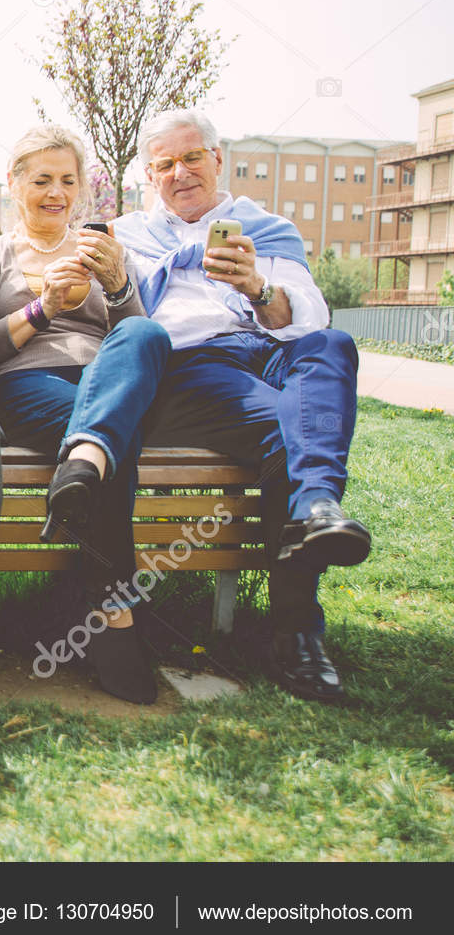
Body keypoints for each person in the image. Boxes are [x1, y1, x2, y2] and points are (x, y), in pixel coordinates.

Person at [113, 108, 370, 703]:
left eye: (192, 157)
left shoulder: (267, 228)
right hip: (191, 366)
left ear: (218, 159)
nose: (180, 173)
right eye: (165, 164)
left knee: (330, 345)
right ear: (151, 176)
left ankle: (316, 506)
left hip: (269, 347)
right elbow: (118, 324)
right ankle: (297, 632)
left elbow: (305, 316)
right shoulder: (127, 237)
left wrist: (255, 285)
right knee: (290, 436)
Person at [0, 125, 171, 704]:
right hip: (27, 384)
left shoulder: (104, 249)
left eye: (67, 180)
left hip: (106, 382)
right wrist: (44, 307)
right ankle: (114, 617)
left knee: (143, 331)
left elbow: (137, 336)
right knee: (116, 443)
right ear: (14, 185)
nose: (55, 192)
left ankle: (84, 457)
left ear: (81, 187)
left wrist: (117, 283)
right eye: (41, 180)